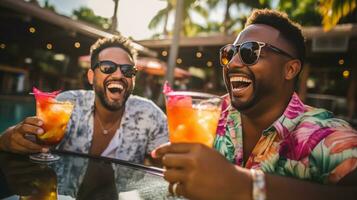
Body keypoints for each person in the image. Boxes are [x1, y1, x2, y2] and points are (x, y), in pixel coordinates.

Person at [152, 9, 357, 200]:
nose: (232, 63)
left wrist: (244, 185)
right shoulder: (207, 115)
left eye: (250, 52)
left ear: (290, 69)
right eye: (229, 53)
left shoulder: (327, 136)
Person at [0, 35, 168, 164]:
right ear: (91, 76)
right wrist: (7, 139)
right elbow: (28, 141)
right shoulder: (67, 104)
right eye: (108, 67)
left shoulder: (150, 114)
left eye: (128, 70)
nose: (118, 75)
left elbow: (168, 157)